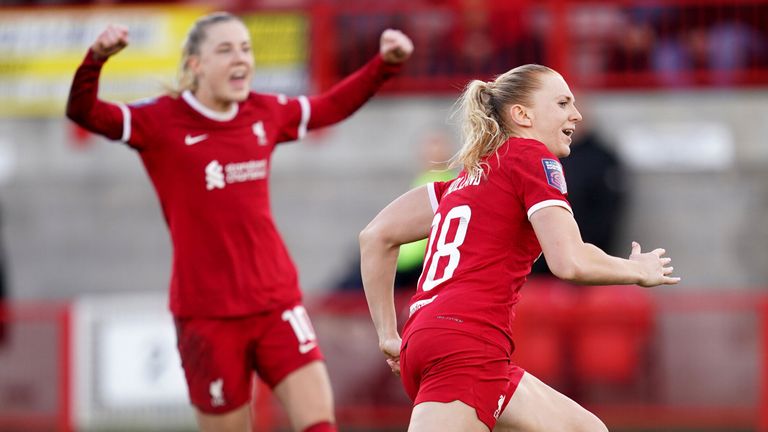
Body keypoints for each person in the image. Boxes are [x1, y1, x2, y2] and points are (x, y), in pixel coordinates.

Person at [66, 12, 412, 432]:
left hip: (276, 302)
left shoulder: (263, 112)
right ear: (195, 65)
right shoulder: (159, 121)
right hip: (206, 316)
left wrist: (385, 64)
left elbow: (329, 107)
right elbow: (84, 112)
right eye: (225, 49)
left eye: (246, 49)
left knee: (320, 424)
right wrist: (96, 58)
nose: (241, 59)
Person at [359, 64, 679, 432]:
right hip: (465, 345)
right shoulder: (531, 157)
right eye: (562, 103)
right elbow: (569, 260)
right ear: (522, 115)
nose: (575, 114)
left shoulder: (469, 177)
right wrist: (637, 270)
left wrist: (389, 335)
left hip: (440, 339)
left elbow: (376, 236)